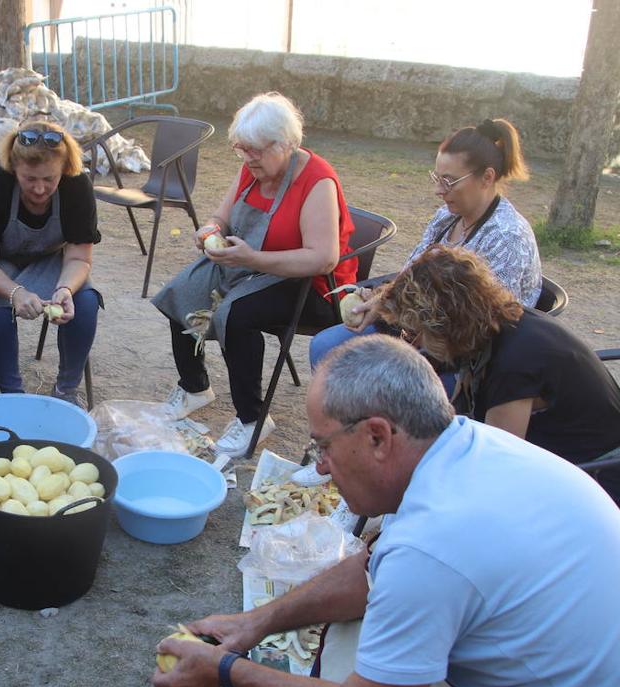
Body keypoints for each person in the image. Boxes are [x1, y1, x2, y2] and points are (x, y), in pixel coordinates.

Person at [152, 334, 620, 687]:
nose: (321, 467)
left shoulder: (433, 544)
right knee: (346, 649)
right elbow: (369, 574)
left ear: (378, 436)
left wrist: (227, 672)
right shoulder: (465, 448)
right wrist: (254, 624)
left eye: (324, 446)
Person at [153, 92, 357, 456]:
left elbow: (323, 259)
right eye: (241, 149)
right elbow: (222, 217)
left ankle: (252, 419)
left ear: (287, 144)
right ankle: (195, 386)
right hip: (252, 266)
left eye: (256, 151)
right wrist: (209, 231)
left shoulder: (316, 180)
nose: (247, 159)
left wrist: (254, 259)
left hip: (314, 286)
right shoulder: (251, 170)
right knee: (182, 290)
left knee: (237, 315)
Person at [374, 245, 620, 503]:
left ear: (448, 324)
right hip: (562, 461)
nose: (418, 343)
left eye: (420, 332)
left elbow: (494, 469)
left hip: (597, 481)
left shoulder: (513, 364)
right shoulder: (497, 323)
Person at [307, 117, 541, 369]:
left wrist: (395, 308)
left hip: (463, 355)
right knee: (325, 348)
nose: (439, 190)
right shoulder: (448, 216)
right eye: (436, 178)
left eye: (449, 181)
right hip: (418, 329)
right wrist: (381, 297)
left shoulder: (508, 237)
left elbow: (481, 326)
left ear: (487, 177)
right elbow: (412, 273)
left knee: (362, 373)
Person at [0, 118, 102, 407]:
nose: (39, 189)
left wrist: (65, 289)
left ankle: (66, 392)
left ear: (63, 170)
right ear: (14, 168)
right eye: (29, 179)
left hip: (46, 257)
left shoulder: (77, 185)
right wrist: (15, 293)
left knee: (84, 302)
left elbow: (78, 257)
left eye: (49, 179)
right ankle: (11, 395)